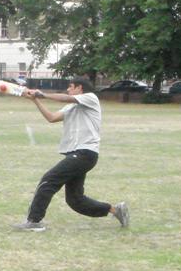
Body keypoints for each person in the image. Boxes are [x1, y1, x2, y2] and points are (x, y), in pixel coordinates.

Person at [14, 76, 129, 231]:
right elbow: (52, 118)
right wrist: (35, 100)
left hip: (85, 153)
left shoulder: (90, 97)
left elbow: (65, 98)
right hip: (76, 154)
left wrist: (43, 94)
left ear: (79, 88)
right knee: (75, 200)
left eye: (70, 86)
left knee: (49, 180)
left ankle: (34, 221)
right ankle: (115, 210)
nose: (68, 89)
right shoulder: (70, 107)